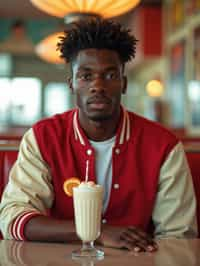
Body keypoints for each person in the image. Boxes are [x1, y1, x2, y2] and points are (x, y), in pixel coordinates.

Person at [0, 18, 197, 252]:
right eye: (85, 76)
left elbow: (178, 236)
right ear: (71, 83)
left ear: (124, 84)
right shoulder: (43, 138)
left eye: (110, 75)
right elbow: (13, 218)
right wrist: (96, 233)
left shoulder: (163, 146)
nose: (98, 85)